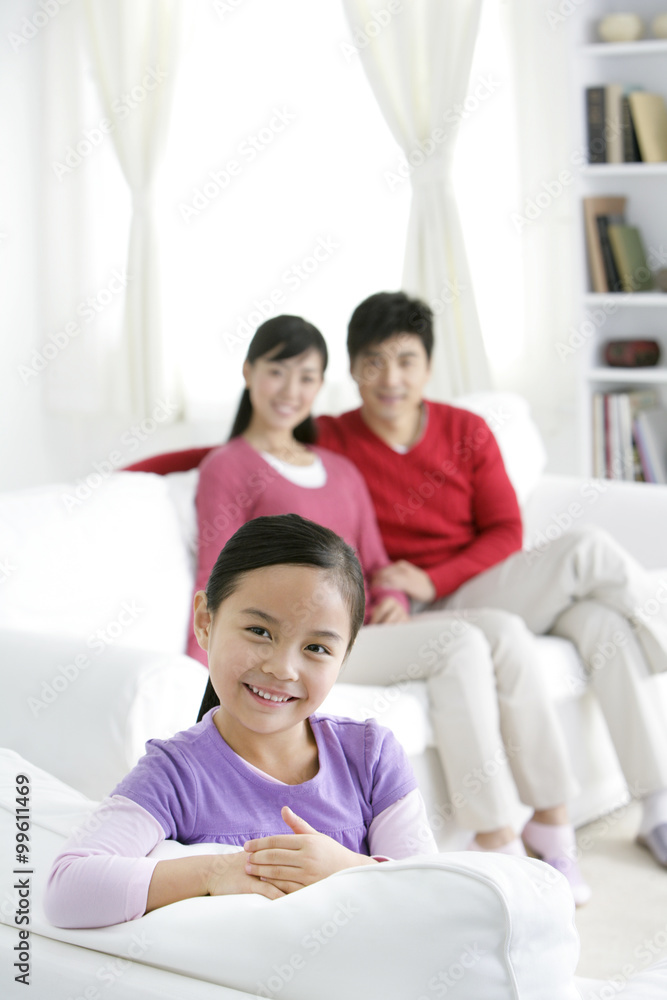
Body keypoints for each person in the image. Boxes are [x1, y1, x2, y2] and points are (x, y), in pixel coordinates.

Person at [188, 314, 589, 903]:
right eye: (277, 371)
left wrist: (397, 598)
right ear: (249, 373)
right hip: (300, 643)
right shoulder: (229, 465)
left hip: (360, 630)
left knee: (490, 635)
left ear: (322, 388)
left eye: (307, 377)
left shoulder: (342, 469)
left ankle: (540, 826)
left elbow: (375, 563)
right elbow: (213, 573)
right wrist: (204, 663)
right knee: (457, 643)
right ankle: (498, 837)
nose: (290, 390)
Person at [316, 289, 667, 871]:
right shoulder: (332, 436)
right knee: (592, 574)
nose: (390, 377)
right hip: (421, 614)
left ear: (428, 365)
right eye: (373, 361)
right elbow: (239, 442)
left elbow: (506, 530)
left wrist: (434, 576)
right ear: (352, 369)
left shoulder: (466, 430)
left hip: (475, 583)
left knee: (599, 605)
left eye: (405, 360)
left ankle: (657, 805)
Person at [45, 514, 438, 929]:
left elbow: (437, 898)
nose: (283, 668)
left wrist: (347, 871)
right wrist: (216, 872)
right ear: (205, 621)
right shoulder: (177, 773)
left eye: (317, 647)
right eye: (259, 631)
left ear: (344, 657)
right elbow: (67, 891)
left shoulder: (371, 757)